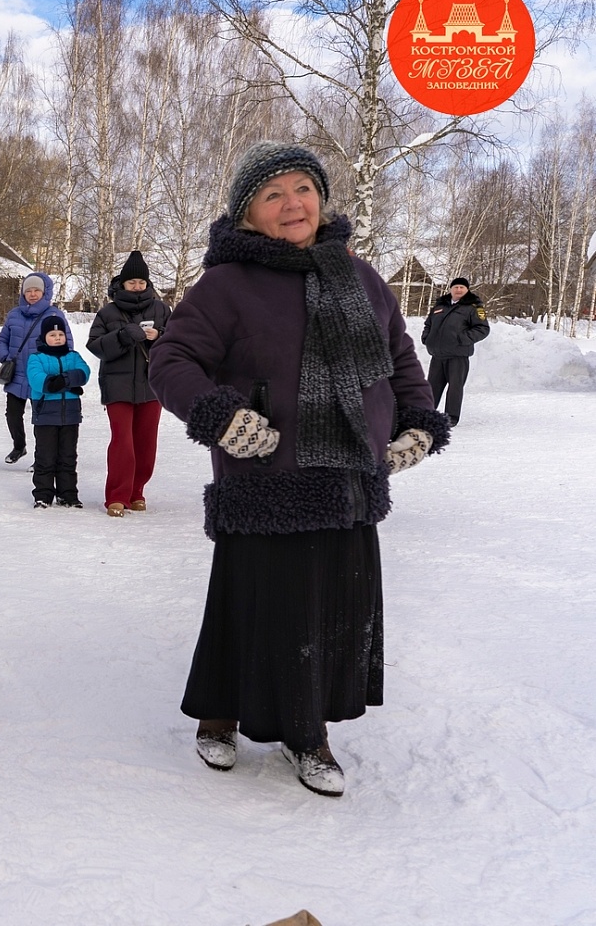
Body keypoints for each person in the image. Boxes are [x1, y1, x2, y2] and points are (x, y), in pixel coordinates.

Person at [149, 141, 450, 797]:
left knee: (333, 614)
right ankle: (219, 715)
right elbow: (170, 362)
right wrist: (221, 417)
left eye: (303, 188)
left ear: (321, 198)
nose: (293, 204)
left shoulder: (360, 277)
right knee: (252, 608)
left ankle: (307, 733)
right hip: (266, 480)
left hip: (349, 480)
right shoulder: (226, 284)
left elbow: (402, 362)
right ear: (249, 215)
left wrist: (420, 423)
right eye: (273, 194)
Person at [87, 250, 171, 516]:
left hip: (151, 386)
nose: (137, 286)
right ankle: (117, 495)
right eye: (132, 282)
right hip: (117, 386)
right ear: (122, 284)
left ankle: (137, 492)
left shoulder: (161, 309)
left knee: (146, 443)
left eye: (141, 283)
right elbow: (96, 346)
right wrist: (123, 336)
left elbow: (180, 339)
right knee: (122, 441)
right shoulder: (107, 312)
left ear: (148, 285)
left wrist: (160, 334)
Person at [0, 271, 67, 463]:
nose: (33, 294)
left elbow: (65, 342)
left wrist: (52, 365)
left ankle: (41, 457)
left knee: (41, 419)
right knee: (12, 415)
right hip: (17, 374)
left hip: (41, 376)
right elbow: (3, 338)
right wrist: (5, 356)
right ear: (23, 293)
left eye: (37, 290)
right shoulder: (14, 315)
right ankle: (19, 446)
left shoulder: (54, 315)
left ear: (44, 293)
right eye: (29, 290)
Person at [25, 315, 90, 508]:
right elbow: (37, 379)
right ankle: (43, 495)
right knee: (45, 457)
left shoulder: (73, 356)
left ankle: (68, 494)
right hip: (45, 416)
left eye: (60, 334)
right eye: (52, 334)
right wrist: (62, 383)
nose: (58, 338)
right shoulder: (36, 358)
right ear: (44, 337)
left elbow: (83, 372)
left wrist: (63, 380)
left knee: (68, 457)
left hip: (70, 416)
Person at [421, 276, 490, 427]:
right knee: (432, 386)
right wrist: (427, 338)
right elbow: (428, 324)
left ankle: (451, 417)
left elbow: (483, 329)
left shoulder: (474, 307)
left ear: (467, 290)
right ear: (451, 289)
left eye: (462, 288)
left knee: (455, 387)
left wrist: (462, 339)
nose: (458, 290)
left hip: (458, 356)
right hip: (438, 355)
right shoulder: (440, 306)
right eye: (456, 287)